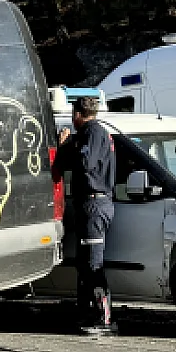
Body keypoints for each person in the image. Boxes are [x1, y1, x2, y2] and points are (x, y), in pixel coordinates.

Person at [52, 95, 117, 335]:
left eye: (73, 115)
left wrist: (68, 144)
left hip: (94, 204)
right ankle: (87, 313)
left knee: (92, 264)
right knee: (84, 263)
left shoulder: (93, 133)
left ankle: (104, 319)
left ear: (77, 114)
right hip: (91, 203)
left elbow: (85, 162)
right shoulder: (93, 133)